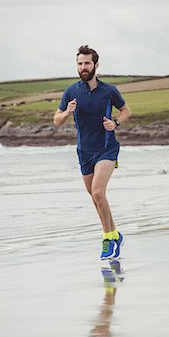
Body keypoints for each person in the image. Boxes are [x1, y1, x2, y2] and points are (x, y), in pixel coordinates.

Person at [54, 45, 131, 259]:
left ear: (96, 65)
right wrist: (67, 112)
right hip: (84, 151)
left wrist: (115, 123)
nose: (83, 67)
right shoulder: (71, 91)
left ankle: (108, 240)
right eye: (80, 63)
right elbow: (56, 120)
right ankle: (115, 234)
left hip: (106, 148)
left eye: (87, 63)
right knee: (95, 197)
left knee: (98, 192)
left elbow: (126, 110)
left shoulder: (108, 91)